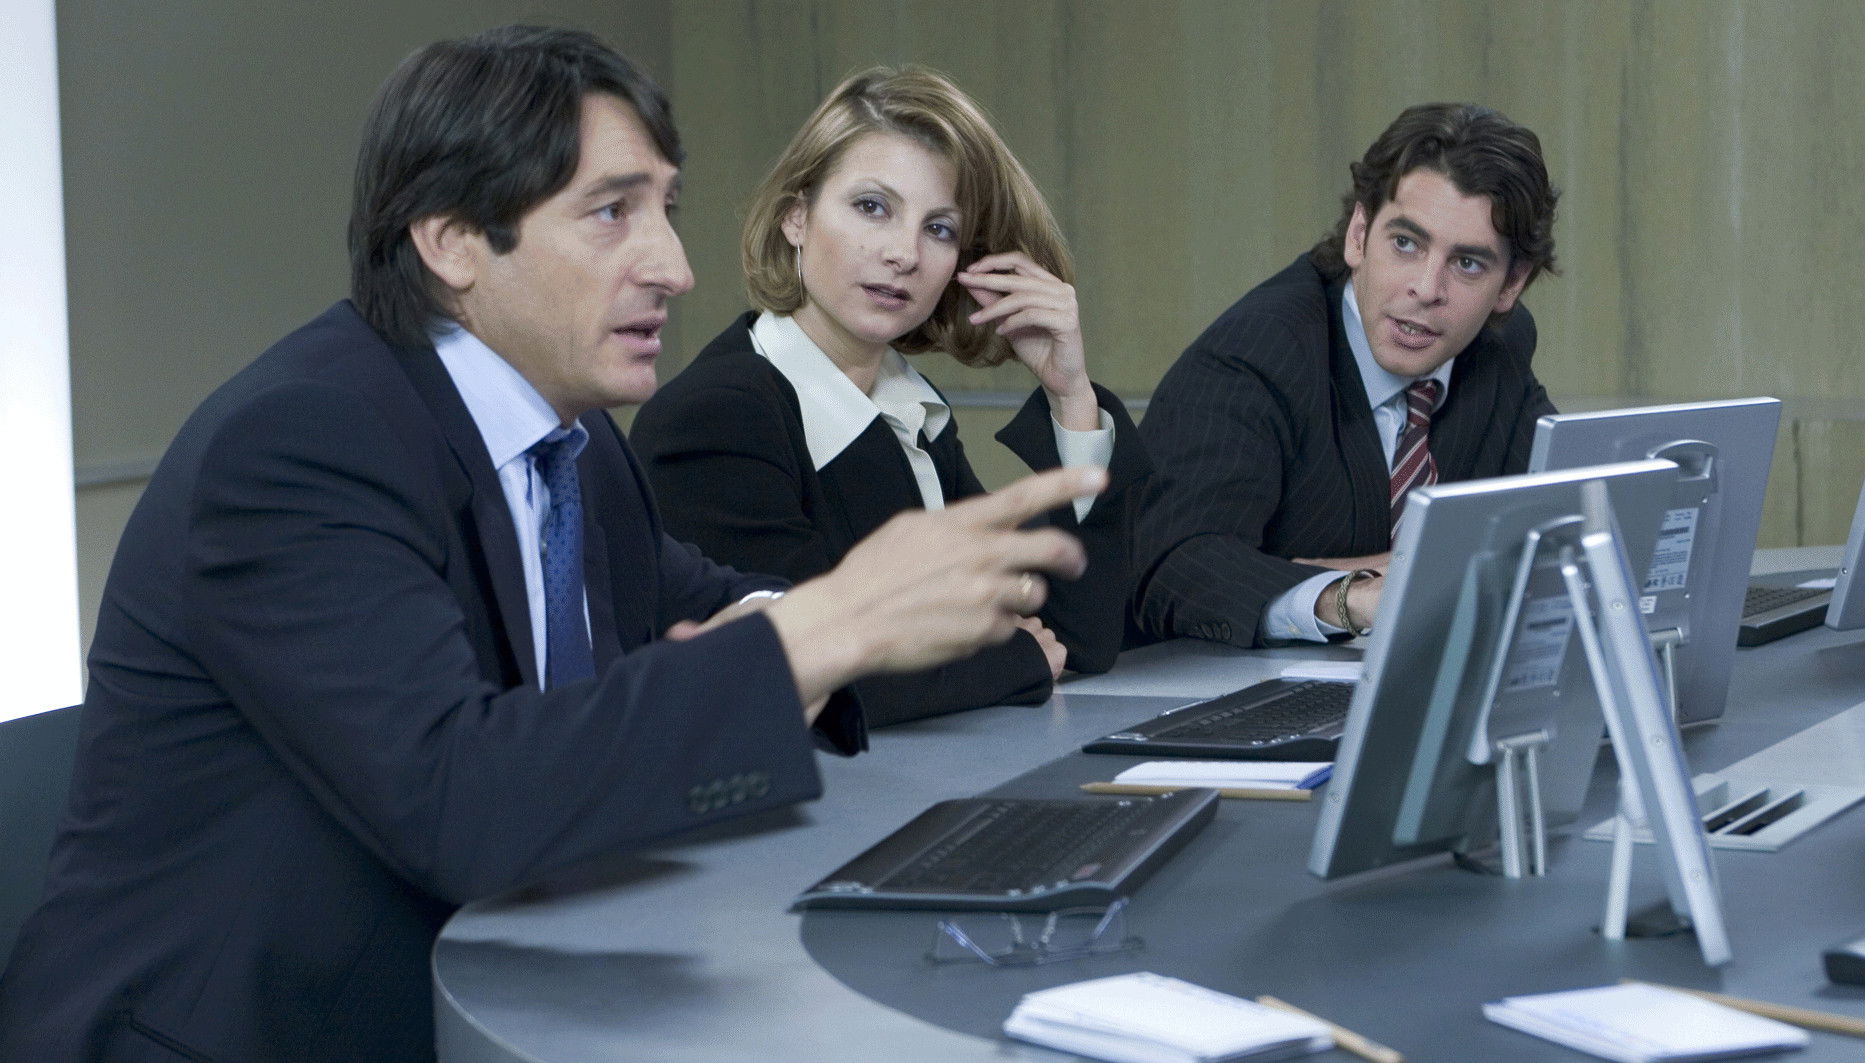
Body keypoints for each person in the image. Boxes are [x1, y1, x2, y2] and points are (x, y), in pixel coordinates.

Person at [0, 27, 1102, 1062]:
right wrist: (828, 625)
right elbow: (459, 796)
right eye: (612, 213)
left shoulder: (571, 440)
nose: (673, 266)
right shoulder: (303, 441)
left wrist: (787, 621)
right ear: (451, 240)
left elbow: (697, 599)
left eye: (665, 208)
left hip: (491, 981)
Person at [629, 67, 1150, 726]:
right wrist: (1015, 657)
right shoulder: (715, 415)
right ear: (796, 216)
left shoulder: (909, 406)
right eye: (872, 207)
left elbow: (1078, 635)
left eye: (939, 229)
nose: (904, 253)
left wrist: (1069, 391)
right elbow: (808, 667)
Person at [1131, 102, 1559, 648]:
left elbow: (1556, 531)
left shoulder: (1499, 346)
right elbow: (1174, 563)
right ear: (1359, 233)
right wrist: (1353, 597)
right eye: (1406, 243)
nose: (1427, 288)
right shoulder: (1259, 354)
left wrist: (1394, 568)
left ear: (1510, 285)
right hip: (1209, 687)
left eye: (1467, 263)